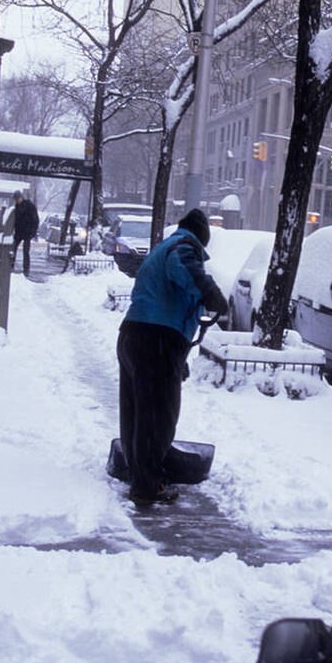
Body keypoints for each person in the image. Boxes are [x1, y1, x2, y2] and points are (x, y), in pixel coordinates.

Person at [117, 208, 227, 506]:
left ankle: (139, 470)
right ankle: (147, 486)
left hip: (134, 334)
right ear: (201, 236)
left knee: (137, 412)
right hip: (156, 339)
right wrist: (212, 295)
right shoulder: (183, 247)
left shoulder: (164, 247)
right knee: (157, 416)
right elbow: (188, 271)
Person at [10, 191, 40, 277]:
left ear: (21, 197)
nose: (17, 201)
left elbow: (35, 220)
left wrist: (32, 232)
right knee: (13, 249)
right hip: (19, 231)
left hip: (27, 232)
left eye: (17, 199)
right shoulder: (17, 206)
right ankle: (11, 265)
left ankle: (26, 269)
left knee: (25, 251)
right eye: (15, 199)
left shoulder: (29, 206)